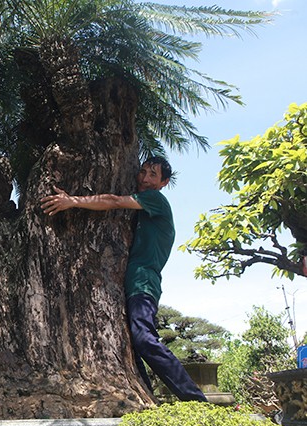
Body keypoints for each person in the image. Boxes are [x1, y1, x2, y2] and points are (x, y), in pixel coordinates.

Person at [40, 156, 207, 402]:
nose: (145, 178)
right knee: (131, 344)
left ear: (164, 183)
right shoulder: (145, 208)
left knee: (144, 338)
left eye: (153, 175)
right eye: (143, 171)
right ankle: (149, 396)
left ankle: (196, 401)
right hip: (132, 283)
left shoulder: (156, 200)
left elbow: (114, 201)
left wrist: (72, 201)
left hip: (143, 283)